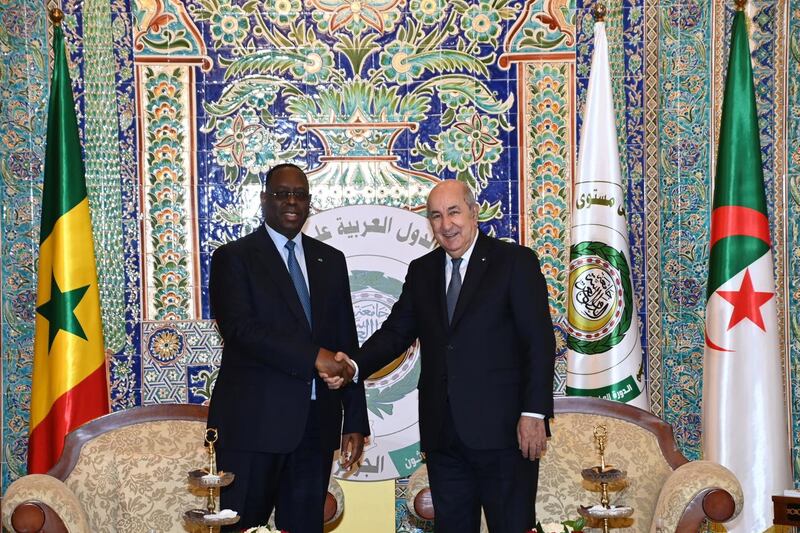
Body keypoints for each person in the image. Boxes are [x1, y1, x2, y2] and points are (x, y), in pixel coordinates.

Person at [334, 179, 555, 533]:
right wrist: (353, 365)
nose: (446, 224)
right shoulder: (422, 271)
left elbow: (539, 342)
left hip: (504, 433)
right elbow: (395, 333)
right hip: (443, 435)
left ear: (473, 212)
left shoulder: (514, 262)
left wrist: (533, 412)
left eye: (454, 212)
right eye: (436, 216)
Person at [207, 163, 368, 532]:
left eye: (300, 195)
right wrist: (314, 357)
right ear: (264, 200)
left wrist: (355, 419)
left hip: (315, 428)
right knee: (242, 527)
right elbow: (241, 330)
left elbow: (346, 344)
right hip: (253, 427)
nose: (292, 202)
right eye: (282, 194)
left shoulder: (330, 261)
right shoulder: (235, 258)